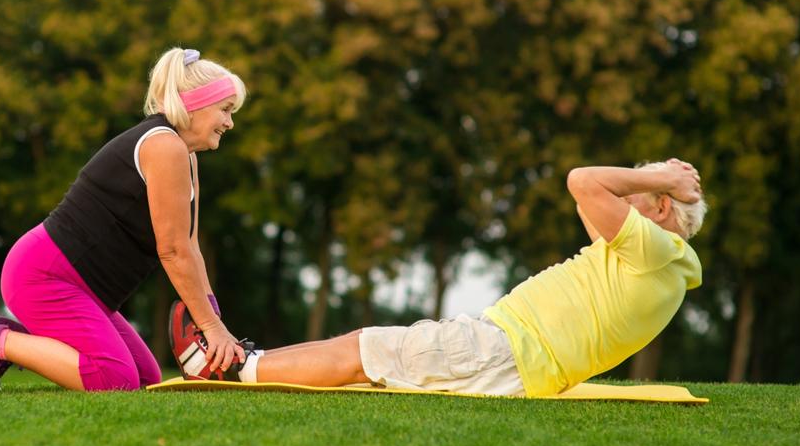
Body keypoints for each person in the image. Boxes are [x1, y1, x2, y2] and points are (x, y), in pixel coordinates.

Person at [170, 159, 707, 397]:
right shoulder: (654, 263)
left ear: (660, 208)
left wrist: (661, 177)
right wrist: (655, 181)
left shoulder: (658, 248)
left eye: (644, 190)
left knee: (363, 348)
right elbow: (590, 204)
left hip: (504, 350)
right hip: (512, 355)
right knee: (369, 357)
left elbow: (583, 181)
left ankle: (234, 367)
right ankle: (250, 362)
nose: (629, 192)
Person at [0, 47, 248, 392]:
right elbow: (173, 251)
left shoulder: (186, 157)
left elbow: (190, 245)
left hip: (83, 291)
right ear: (195, 103)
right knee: (114, 379)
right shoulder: (164, 146)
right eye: (225, 110)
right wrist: (210, 326)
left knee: (145, 377)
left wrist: (212, 320)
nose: (229, 122)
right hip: (43, 276)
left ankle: (17, 339)